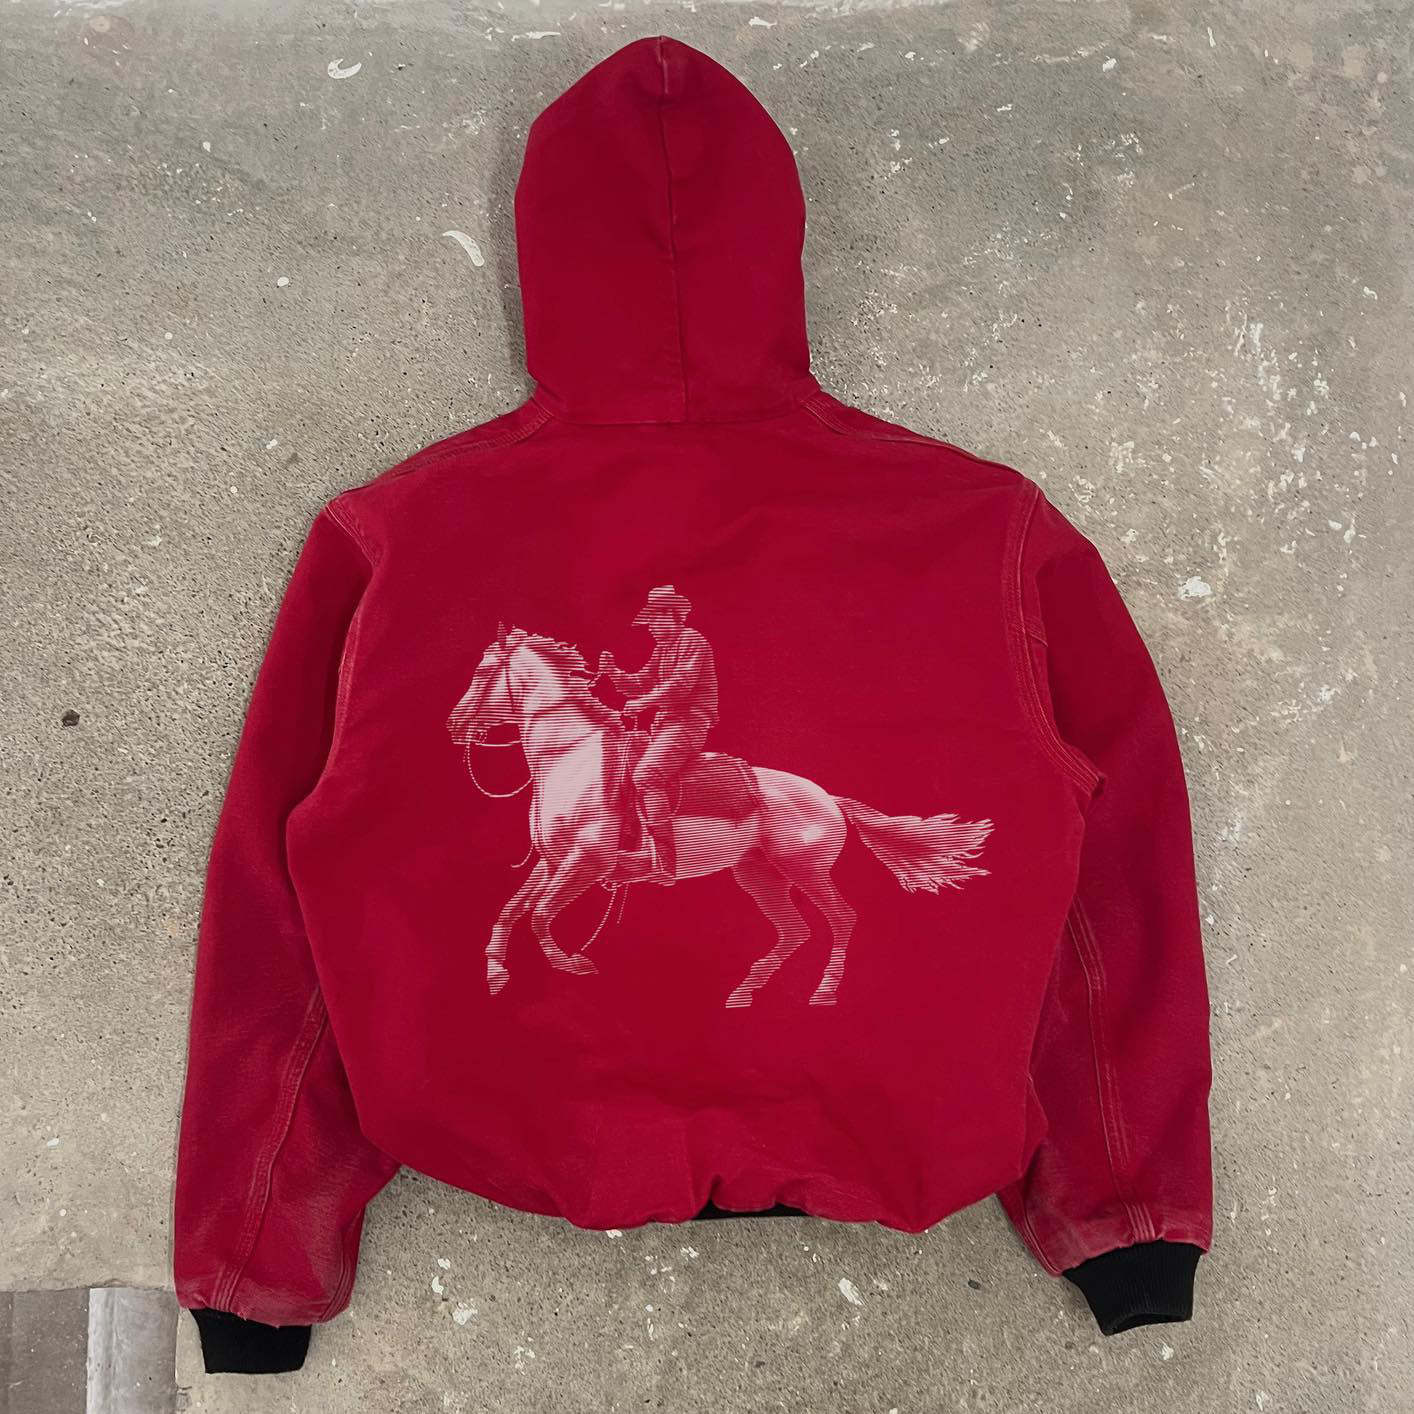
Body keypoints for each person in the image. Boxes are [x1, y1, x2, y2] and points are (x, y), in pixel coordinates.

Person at [598, 585, 719, 883]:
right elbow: (641, 682)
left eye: (653, 619)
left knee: (646, 775)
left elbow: (681, 684)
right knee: (621, 766)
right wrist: (614, 672)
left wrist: (644, 702)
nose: (650, 627)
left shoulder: (692, 640)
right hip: (665, 726)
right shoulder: (663, 648)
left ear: (671, 615)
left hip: (689, 724)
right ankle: (632, 844)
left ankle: (664, 860)